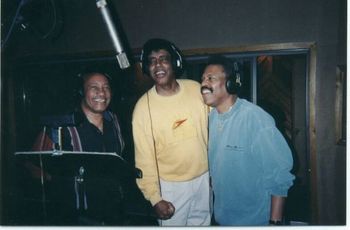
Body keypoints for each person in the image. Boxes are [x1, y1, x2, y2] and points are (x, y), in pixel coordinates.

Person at [200, 55, 295, 226]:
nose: (203, 84)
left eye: (210, 78)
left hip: (256, 221)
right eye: (202, 79)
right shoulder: (209, 119)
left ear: (231, 83)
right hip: (223, 219)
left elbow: (279, 178)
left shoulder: (255, 119)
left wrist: (274, 223)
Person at [26, 72, 126, 225]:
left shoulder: (114, 120)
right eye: (94, 87)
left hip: (113, 212)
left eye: (106, 87)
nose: (102, 92)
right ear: (81, 92)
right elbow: (33, 165)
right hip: (78, 217)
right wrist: (62, 181)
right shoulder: (62, 125)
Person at [132, 38, 211, 226]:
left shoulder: (196, 89)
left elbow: (217, 126)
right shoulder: (142, 109)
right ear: (146, 68)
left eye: (163, 59)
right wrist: (154, 198)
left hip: (204, 179)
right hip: (170, 187)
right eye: (151, 61)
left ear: (175, 63)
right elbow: (144, 160)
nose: (157, 65)